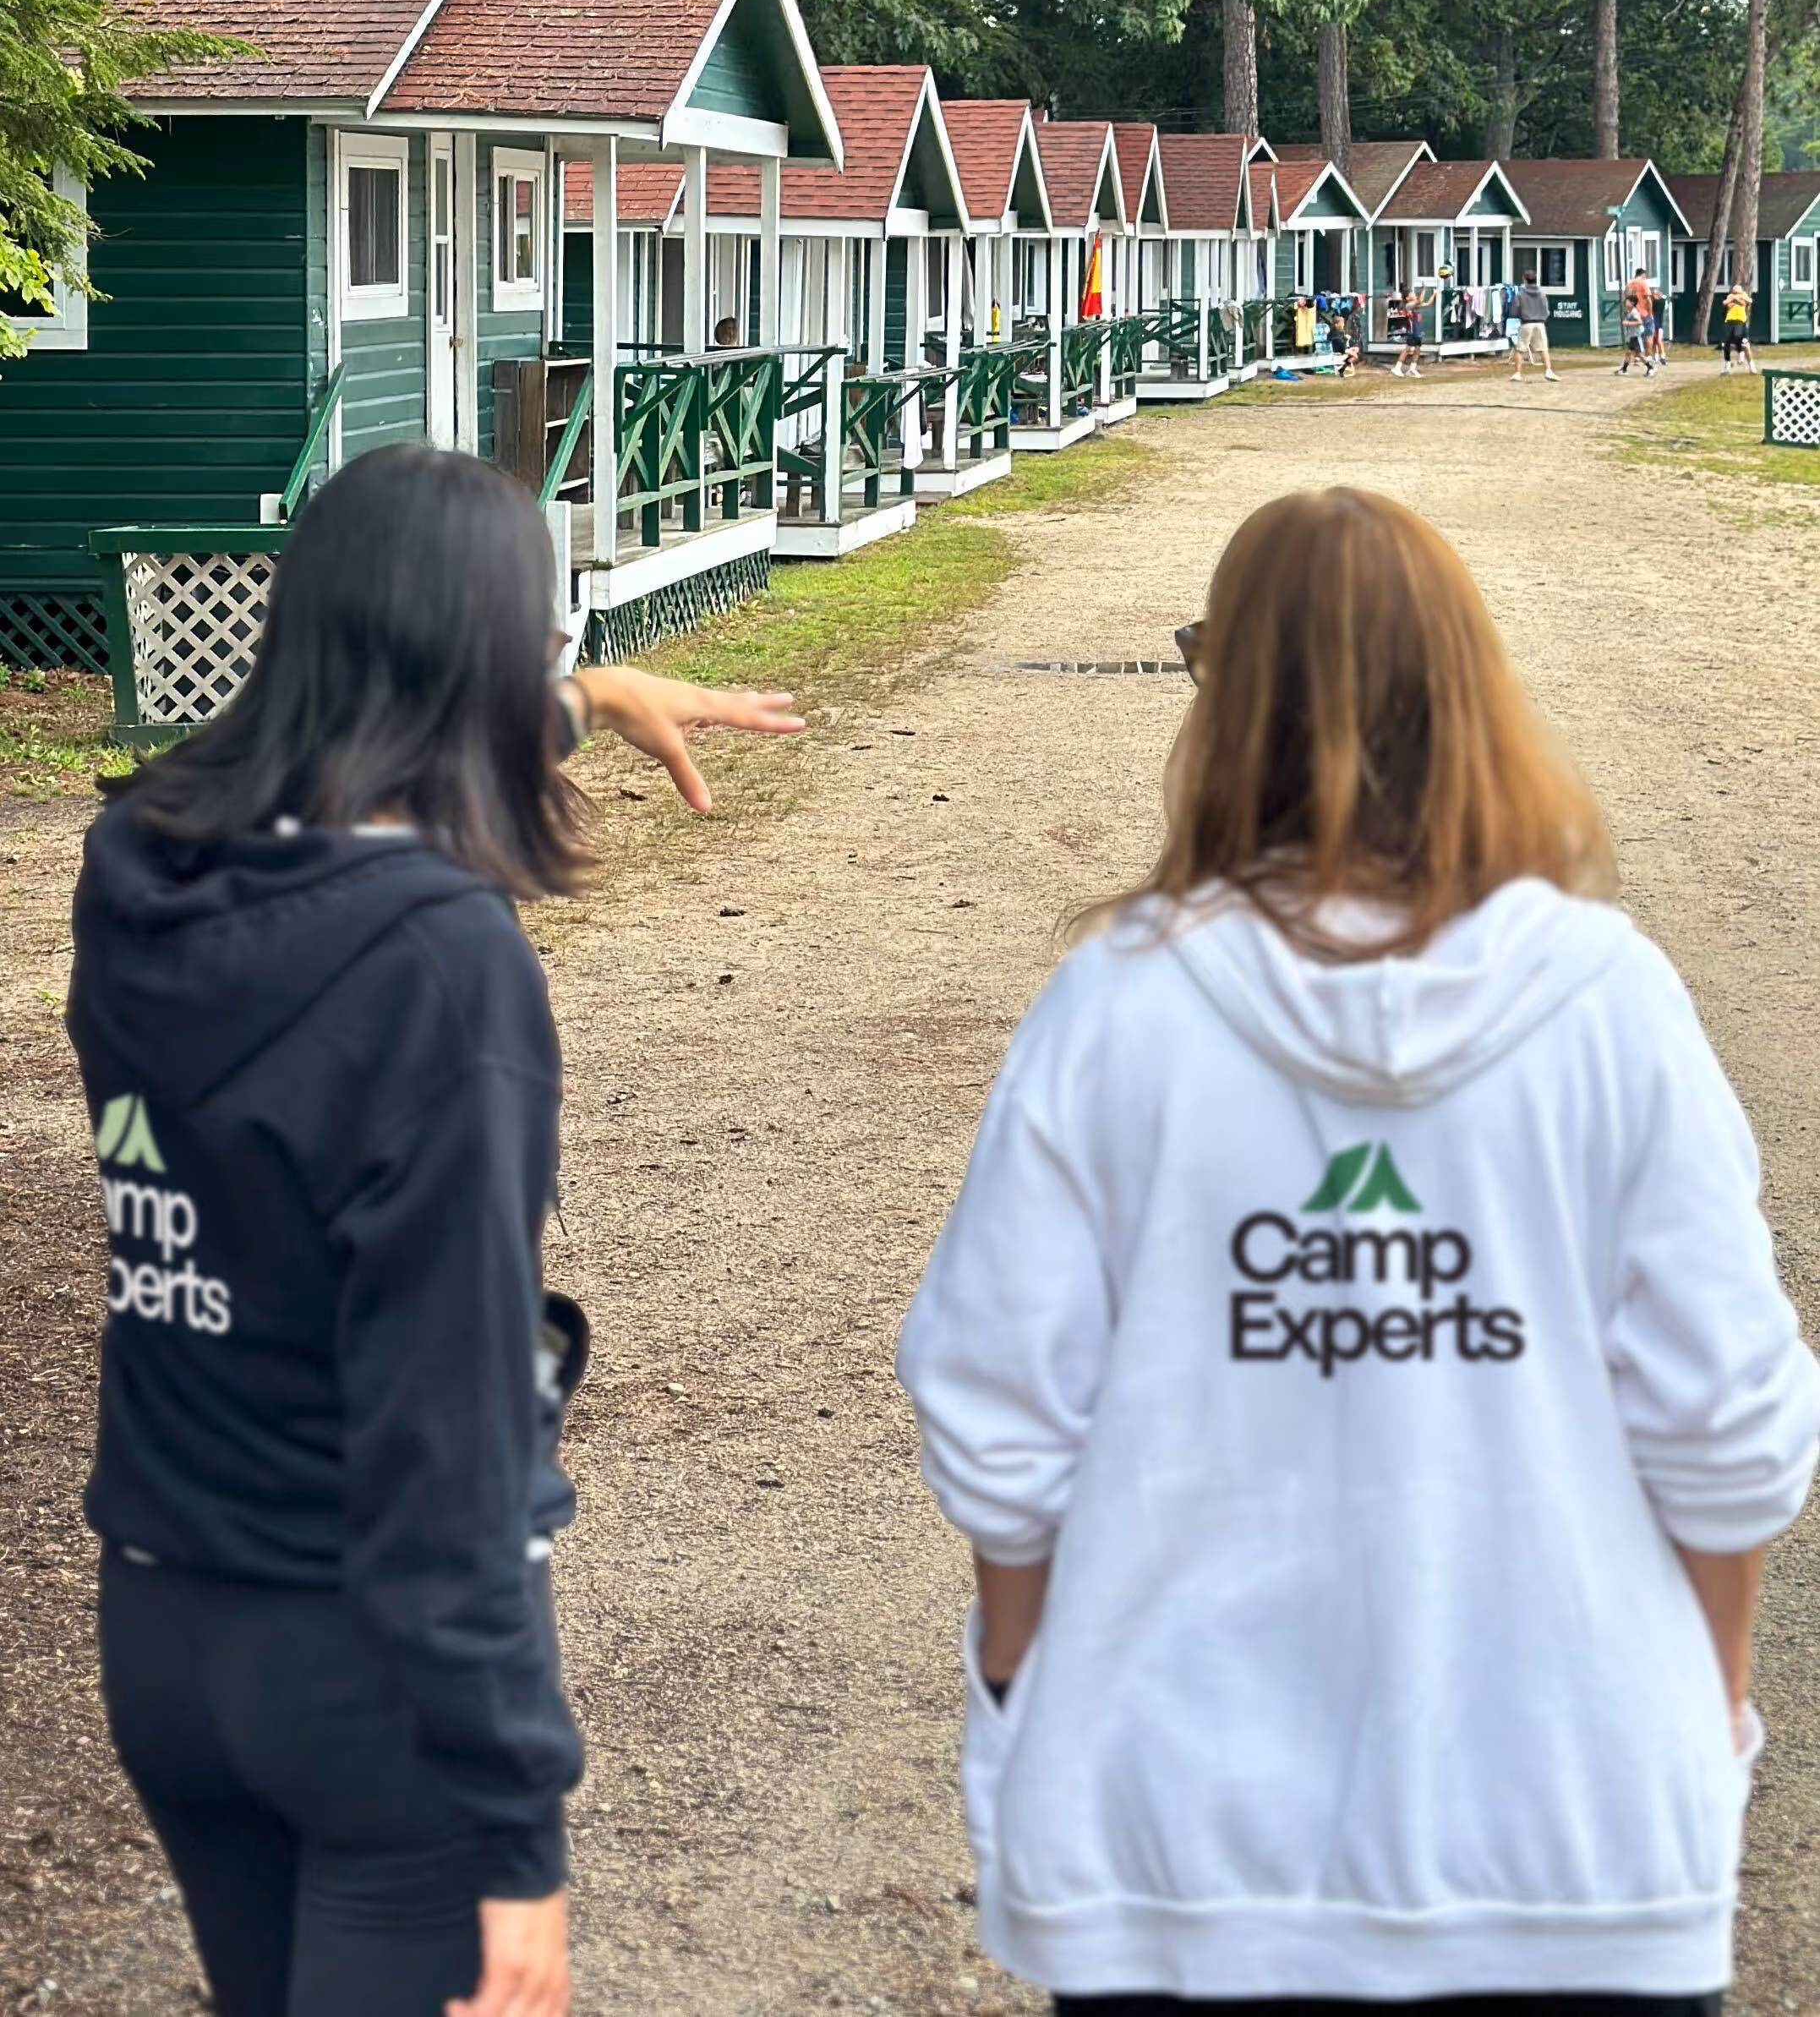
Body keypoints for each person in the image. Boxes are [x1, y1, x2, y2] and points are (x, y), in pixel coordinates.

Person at [899, 486, 1818, 2017]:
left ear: (1227, 704)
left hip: (1182, 1864)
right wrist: (1699, 1718)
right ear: (1472, 692)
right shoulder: (1609, 1003)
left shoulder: (1122, 1004)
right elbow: (1727, 1423)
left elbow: (999, 1413)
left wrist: (1016, 1705)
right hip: (1572, 1852)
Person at [68, 445, 803, 2017]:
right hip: (364, 1681)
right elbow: (446, 1429)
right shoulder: (441, 972)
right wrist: (512, 1820)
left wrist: (588, 697)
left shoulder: (137, 866)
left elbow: (348, 758)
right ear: (484, 660)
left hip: (168, 1625)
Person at [1509, 269, 1559, 380]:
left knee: (1520, 349)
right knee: (1543, 349)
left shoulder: (1520, 295)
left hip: (1526, 323)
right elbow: (1546, 311)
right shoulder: (1542, 294)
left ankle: (1517, 373)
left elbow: (1514, 311)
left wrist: (1520, 316)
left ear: (1525, 280)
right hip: (1540, 323)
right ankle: (1548, 371)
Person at [1388, 285, 1423, 380]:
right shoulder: (1408, 305)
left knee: (1417, 350)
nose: (1414, 294)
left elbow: (1422, 302)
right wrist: (1423, 289)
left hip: (1417, 331)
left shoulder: (1415, 305)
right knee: (1407, 349)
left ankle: (1412, 369)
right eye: (1412, 294)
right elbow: (1419, 300)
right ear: (1407, 298)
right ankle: (1397, 368)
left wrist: (1434, 295)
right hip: (1412, 331)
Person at [1616, 292, 1654, 375]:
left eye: (1627, 302)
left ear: (1632, 303)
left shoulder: (1634, 312)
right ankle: (1624, 370)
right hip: (1632, 336)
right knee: (1628, 352)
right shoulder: (1629, 312)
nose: (1625, 303)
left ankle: (1650, 368)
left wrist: (1627, 323)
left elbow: (1639, 322)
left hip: (1636, 336)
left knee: (1639, 355)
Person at [1720, 285, 1754, 373]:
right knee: (1726, 344)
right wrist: (1734, 299)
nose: (1735, 291)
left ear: (1741, 290)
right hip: (1730, 322)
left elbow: (1747, 302)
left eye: (1737, 290)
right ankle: (1728, 365)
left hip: (1740, 321)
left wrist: (1737, 299)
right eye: (1734, 290)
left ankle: (1749, 363)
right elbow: (1726, 303)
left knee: (1742, 341)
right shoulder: (1730, 296)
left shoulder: (1744, 295)